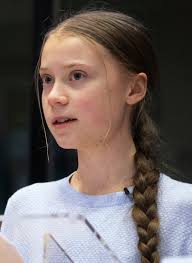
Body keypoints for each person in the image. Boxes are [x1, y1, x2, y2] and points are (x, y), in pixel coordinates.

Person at [1, 9, 192, 263]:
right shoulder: (25, 208)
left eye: (77, 75)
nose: (54, 96)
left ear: (134, 89)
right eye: (47, 79)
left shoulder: (184, 208)